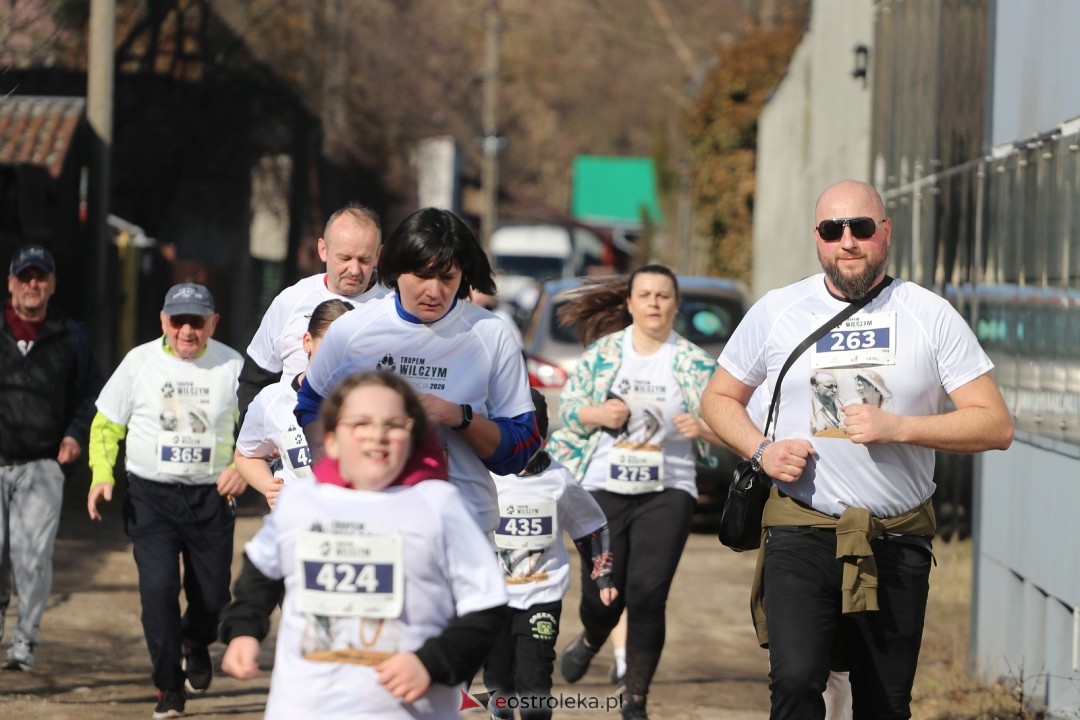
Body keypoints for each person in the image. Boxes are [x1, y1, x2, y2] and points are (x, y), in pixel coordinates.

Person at [700, 179, 1014, 720]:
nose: (848, 241)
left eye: (862, 227)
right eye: (832, 229)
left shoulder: (928, 314)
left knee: (884, 704)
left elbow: (995, 425)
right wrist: (761, 451)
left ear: (885, 232)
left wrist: (901, 427)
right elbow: (719, 397)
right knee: (797, 683)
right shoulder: (778, 310)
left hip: (893, 537)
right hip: (801, 527)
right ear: (817, 239)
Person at [219, 371, 508, 719]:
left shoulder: (439, 504)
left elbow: (488, 605)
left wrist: (431, 663)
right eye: (360, 423)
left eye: (393, 424)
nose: (377, 435)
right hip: (304, 708)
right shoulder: (300, 500)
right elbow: (261, 571)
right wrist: (244, 632)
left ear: (413, 436)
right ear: (332, 439)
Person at [544, 264, 726, 720]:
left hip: (669, 490)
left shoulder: (694, 363)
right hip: (604, 489)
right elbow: (567, 412)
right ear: (629, 303)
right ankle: (590, 637)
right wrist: (597, 415)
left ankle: (635, 700)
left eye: (663, 296)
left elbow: (733, 428)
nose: (654, 303)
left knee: (647, 593)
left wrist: (704, 427)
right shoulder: (604, 355)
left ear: (676, 305)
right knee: (603, 596)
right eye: (645, 295)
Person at [295, 207, 541, 532]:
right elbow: (311, 405)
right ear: (396, 270)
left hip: (462, 529)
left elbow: (521, 448)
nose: (434, 291)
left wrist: (460, 417)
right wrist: (330, 467)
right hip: (371, 526)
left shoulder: (491, 334)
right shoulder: (352, 330)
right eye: (423, 276)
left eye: (447, 277)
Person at [87, 283, 246, 719]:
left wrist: (242, 465)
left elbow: (256, 429)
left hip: (211, 496)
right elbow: (106, 425)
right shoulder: (139, 363)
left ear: (214, 322)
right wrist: (102, 476)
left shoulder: (232, 366)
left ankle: (195, 640)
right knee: (158, 593)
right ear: (163, 321)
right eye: (179, 321)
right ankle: (168, 688)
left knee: (213, 596)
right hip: (151, 498)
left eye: (198, 322)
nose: (188, 331)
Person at [0, 244, 103, 672]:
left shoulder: (70, 336)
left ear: (52, 285)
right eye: (25, 277)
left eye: (41, 277)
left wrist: (76, 434)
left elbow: (91, 394)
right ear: (10, 284)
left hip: (43, 465)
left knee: (32, 557)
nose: (33, 285)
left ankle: (24, 640)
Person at [484, 390, 617, 720]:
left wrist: (603, 576)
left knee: (534, 685)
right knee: (498, 683)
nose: (518, 451)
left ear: (541, 437)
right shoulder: (483, 478)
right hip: (491, 597)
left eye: (527, 440)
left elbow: (590, 526)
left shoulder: (558, 479)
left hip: (541, 595)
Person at [237, 203, 385, 418]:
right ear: (323, 250)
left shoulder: (393, 304)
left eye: (364, 260)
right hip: (292, 445)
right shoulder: (291, 301)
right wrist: (255, 443)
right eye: (344, 258)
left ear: (378, 255)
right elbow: (253, 382)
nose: (354, 269)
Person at [234, 299, 353, 507]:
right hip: (296, 527)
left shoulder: (372, 401)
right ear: (307, 341)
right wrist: (269, 486)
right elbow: (245, 455)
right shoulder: (273, 400)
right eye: (330, 346)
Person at [809, 372, 845, 436]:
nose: (835, 390)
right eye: (829, 386)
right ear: (815, 387)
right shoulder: (809, 411)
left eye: (836, 386)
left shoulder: (843, 403)